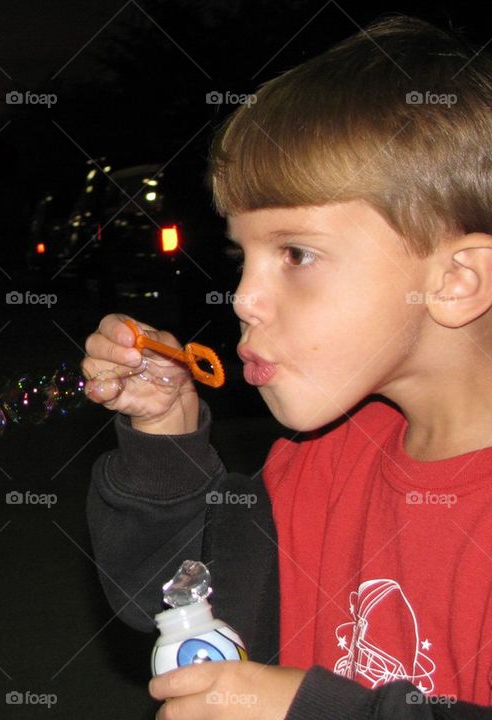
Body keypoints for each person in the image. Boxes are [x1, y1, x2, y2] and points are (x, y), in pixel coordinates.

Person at [83, 15, 492, 720]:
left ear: (455, 281)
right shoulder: (318, 465)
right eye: (243, 256)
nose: (242, 297)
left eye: (296, 254)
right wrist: (165, 440)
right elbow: (178, 607)